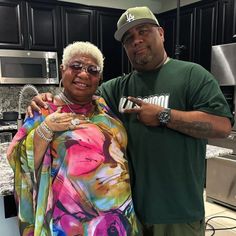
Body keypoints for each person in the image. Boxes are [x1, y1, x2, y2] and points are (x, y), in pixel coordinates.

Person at [27, 6, 234, 236]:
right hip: (130, 214)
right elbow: (80, 93)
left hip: (178, 213)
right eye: (128, 38)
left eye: (143, 31)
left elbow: (223, 126)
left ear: (161, 33)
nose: (136, 40)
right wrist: (47, 98)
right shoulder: (116, 89)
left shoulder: (192, 75)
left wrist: (164, 116)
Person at [7, 41, 142, 236]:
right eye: (76, 66)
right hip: (73, 223)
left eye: (92, 70)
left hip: (120, 218)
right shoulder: (45, 110)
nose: (84, 74)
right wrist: (45, 130)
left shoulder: (103, 106)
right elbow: (18, 160)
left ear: (99, 78)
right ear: (63, 70)